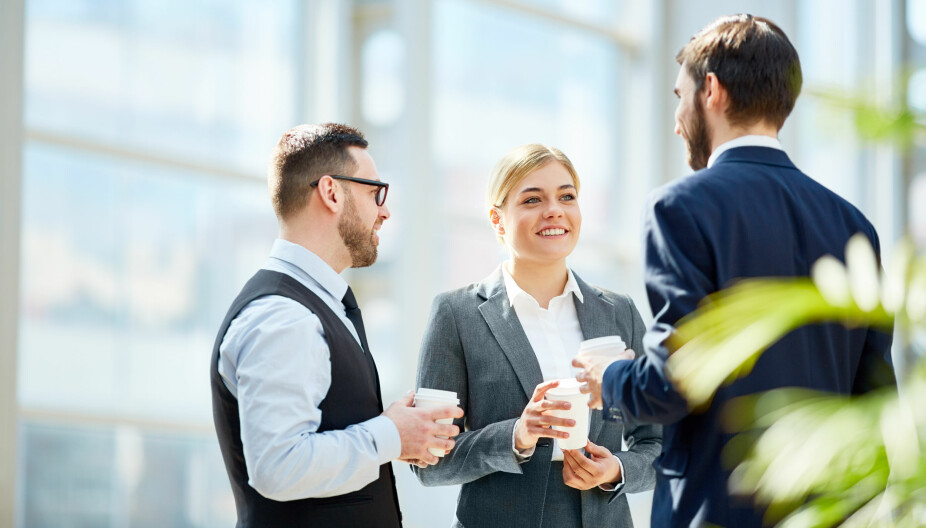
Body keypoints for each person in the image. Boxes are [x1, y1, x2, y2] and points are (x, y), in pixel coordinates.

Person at [572, 15, 896, 528]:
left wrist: (608, 379)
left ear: (712, 91)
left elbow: (674, 381)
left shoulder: (680, 207)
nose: (677, 120)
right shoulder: (855, 226)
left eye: (679, 97)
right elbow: (877, 408)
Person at [210, 123, 463, 527]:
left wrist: (394, 433)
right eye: (374, 192)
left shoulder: (313, 306)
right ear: (331, 192)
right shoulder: (284, 317)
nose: (385, 211)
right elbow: (278, 466)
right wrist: (390, 434)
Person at [414, 144, 661, 528]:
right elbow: (429, 462)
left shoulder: (620, 313)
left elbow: (664, 443)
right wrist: (517, 436)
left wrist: (617, 470)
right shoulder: (456, 314)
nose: (554, 210)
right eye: (533, 199)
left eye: (567, 196)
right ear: (498, 221)